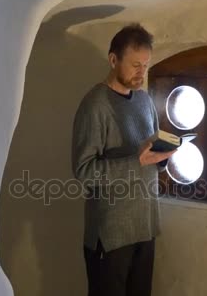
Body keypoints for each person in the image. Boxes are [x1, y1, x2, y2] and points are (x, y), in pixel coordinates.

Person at [71, 23, 175, 296]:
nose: (142, 73)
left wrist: (163, 156)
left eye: (146, 65)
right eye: (135, 64)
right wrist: (135, 162)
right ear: (113, 59)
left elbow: (148, 156)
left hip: (145, 225)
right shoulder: (95, 105)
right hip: (110, 234)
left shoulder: (143, 101)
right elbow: (84, 171)